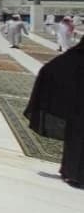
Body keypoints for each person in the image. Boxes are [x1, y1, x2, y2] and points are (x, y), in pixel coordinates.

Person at [24, 37, 84, 188]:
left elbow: (53, 68)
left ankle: (73, 173)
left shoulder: (77, 54)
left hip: (78, 110)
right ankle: (74, 172)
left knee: (76, 138)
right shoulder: (78, 55)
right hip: (79, 109)